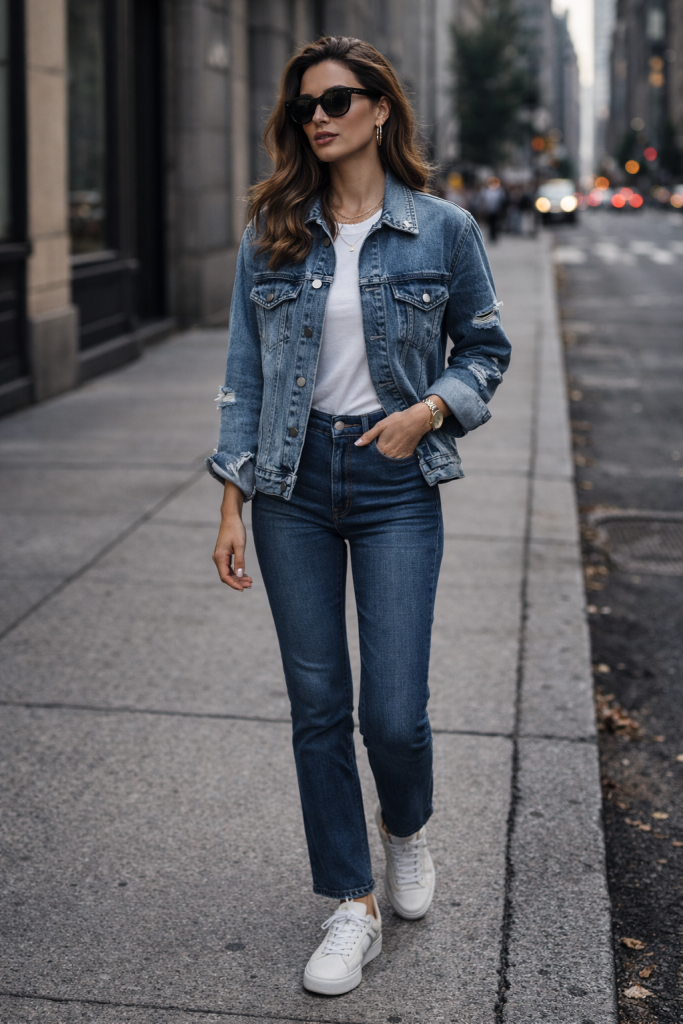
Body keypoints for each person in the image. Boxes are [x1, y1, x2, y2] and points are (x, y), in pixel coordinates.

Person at [210, 35, 511, 997]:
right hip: (290, 487)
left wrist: (426, 411)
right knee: (314, 709)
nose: (321, 117)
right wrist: (232, 496)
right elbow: (244, 377)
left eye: (339, 99)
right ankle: (352, 902)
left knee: (392, 714)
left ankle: (407, 829)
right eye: (306, 106)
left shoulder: (442, 229)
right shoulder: (274, 227)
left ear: (382, 108)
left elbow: (486, 351)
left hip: (392, 487)